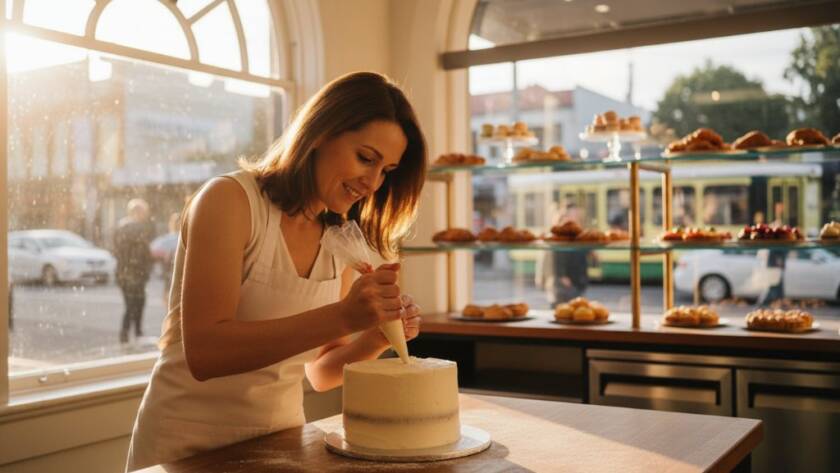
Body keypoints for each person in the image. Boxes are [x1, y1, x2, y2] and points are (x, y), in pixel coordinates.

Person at [126, 72, 427, 471]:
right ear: (321, 132)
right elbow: (206, 352)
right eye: (366, 158)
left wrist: (374, 336)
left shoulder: (338, 237)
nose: (373, 182)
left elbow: (322, 371)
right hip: (185, 447)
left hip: (282, 446)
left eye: (386, 170)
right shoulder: (230, 201)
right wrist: (342, 315)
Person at [114, 198, 154, 344]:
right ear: (137, 212)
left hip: (124, 273)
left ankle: (132, 333)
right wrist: (146, 267)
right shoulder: (137, 228)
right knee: (135, 303)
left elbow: (118, 251)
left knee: (133, 303)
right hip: (134, 274)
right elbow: (142, 252)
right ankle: (131, 334)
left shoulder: (120, 227)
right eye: (144, 212)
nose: (146, 215)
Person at [536, 203, 589, 307]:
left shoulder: (573, 236)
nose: (576, 218)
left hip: (575, 285)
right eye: (574, 215)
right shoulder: (559, 237)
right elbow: (556, 263)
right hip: (565, 289)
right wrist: (564, 279)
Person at [150, 212, 180, 306]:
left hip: (179, 271)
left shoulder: (184, 237)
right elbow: (153, 250)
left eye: (179, 222)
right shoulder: (167, 239)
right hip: (170, 271)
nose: (178, 225)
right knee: (170, 294)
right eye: (176, 222)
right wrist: (165, 254)